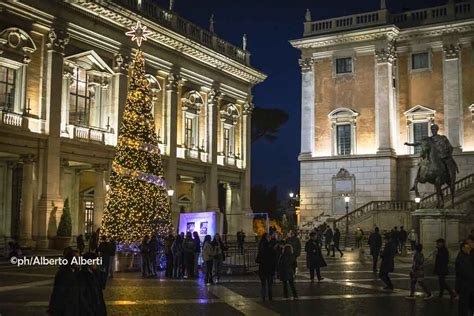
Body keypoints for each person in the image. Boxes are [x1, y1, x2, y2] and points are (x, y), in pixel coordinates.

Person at [48, 247, 79, 316]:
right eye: (76, 259)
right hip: (64, 309)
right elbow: (60, 295)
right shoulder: (64, 274)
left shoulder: (76, 272)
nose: (79, 261)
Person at [456, 239, 474, 316]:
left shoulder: (467, 256)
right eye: (467, 248)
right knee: (464, 304)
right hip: (465, 285)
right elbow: (467, 272)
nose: (468, 249)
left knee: (467, 303)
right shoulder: (462, 257)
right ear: (463, 248)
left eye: (469, 248)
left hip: (467, 284)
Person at [256, 233, 277, 301]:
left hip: (262, 269)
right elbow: (274, 260)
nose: (270, 238)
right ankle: (270, 297)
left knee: (263, 285)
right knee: (270, 285)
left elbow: (257, 260)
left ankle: (263, 297)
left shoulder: (261, 249)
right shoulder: (272, 250)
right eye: (269, 237)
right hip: (270, 269)